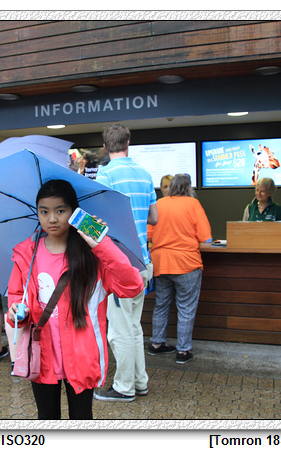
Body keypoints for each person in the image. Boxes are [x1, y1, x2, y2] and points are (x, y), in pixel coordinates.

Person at [6, 179, 144, 419]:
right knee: (46, 418)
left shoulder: (92, 256)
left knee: (81, 420)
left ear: (74, 212)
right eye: (44, 211)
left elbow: (132, 286)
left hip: (82, 356)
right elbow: (17, 295)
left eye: (60, 211)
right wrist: (17, 311)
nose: (52, 219)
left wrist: (101, 244)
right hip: (42, 354)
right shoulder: (27, 254)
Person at [93, 124, 158, 402]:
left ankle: (123, 387)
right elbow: (154, 218)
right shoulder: (145, 175)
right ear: (128, 143)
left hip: (120, 265)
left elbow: (99, 218)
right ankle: (140, 382)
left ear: (105, 146)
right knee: (133, 326)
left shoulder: (105, 175)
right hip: (142, 261)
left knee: (120, 330)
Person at [149, 174, 212, 364]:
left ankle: (157, 344)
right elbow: (206, 237)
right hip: (186, 263)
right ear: (189, 188)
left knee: (161, 305)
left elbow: (149, 233)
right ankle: (183, 351)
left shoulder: (159, 204)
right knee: (186, 308)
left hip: (161, 263)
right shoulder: (193, 204)